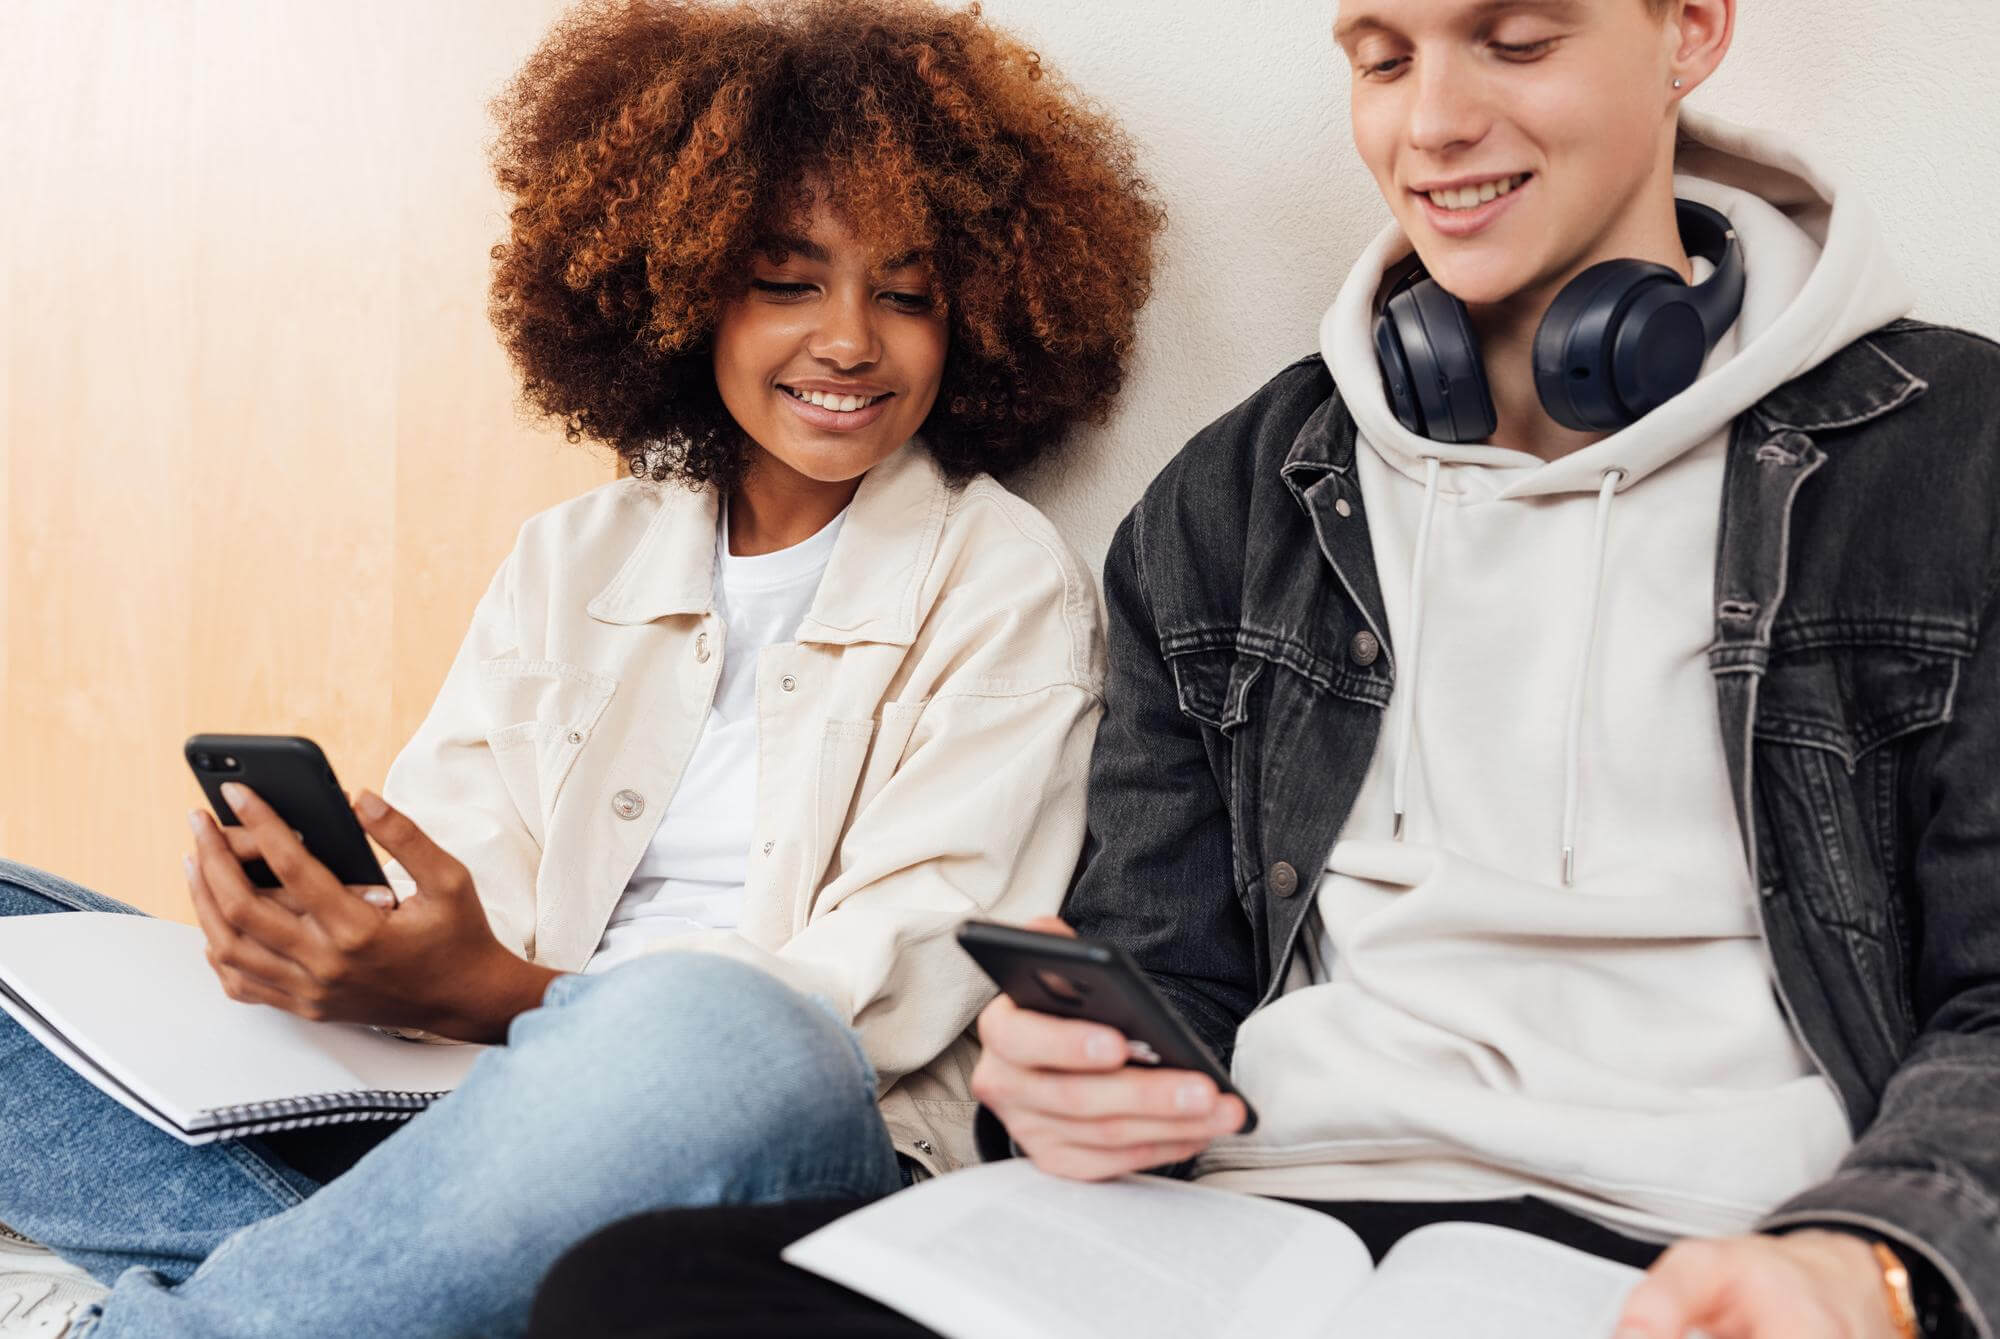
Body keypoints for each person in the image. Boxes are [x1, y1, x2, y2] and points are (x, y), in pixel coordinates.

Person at [523, 0, 1996, 1335]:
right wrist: (1058, 1092)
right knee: (634, 1293)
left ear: (1688, 30)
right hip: (1243, 1231)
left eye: (1517, 42)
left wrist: (1870, 1262)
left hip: (1695, 1253)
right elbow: (1161, 977)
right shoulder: (1236, 495)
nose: (1432, 126)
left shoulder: (1954, 458)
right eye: (1383, 57)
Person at [0, 1, 1163, 1335]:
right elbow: (454, 872)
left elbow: (871, 1008)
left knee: (710, 1030)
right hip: (464, 1119)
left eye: (906, 294)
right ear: (680, 286)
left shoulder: (1004, 583)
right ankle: (366, 1281)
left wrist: (500, 993)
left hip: (777, 1140)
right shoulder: (574, 555)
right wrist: (328, 938)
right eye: (789, 281)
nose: (849, 339)